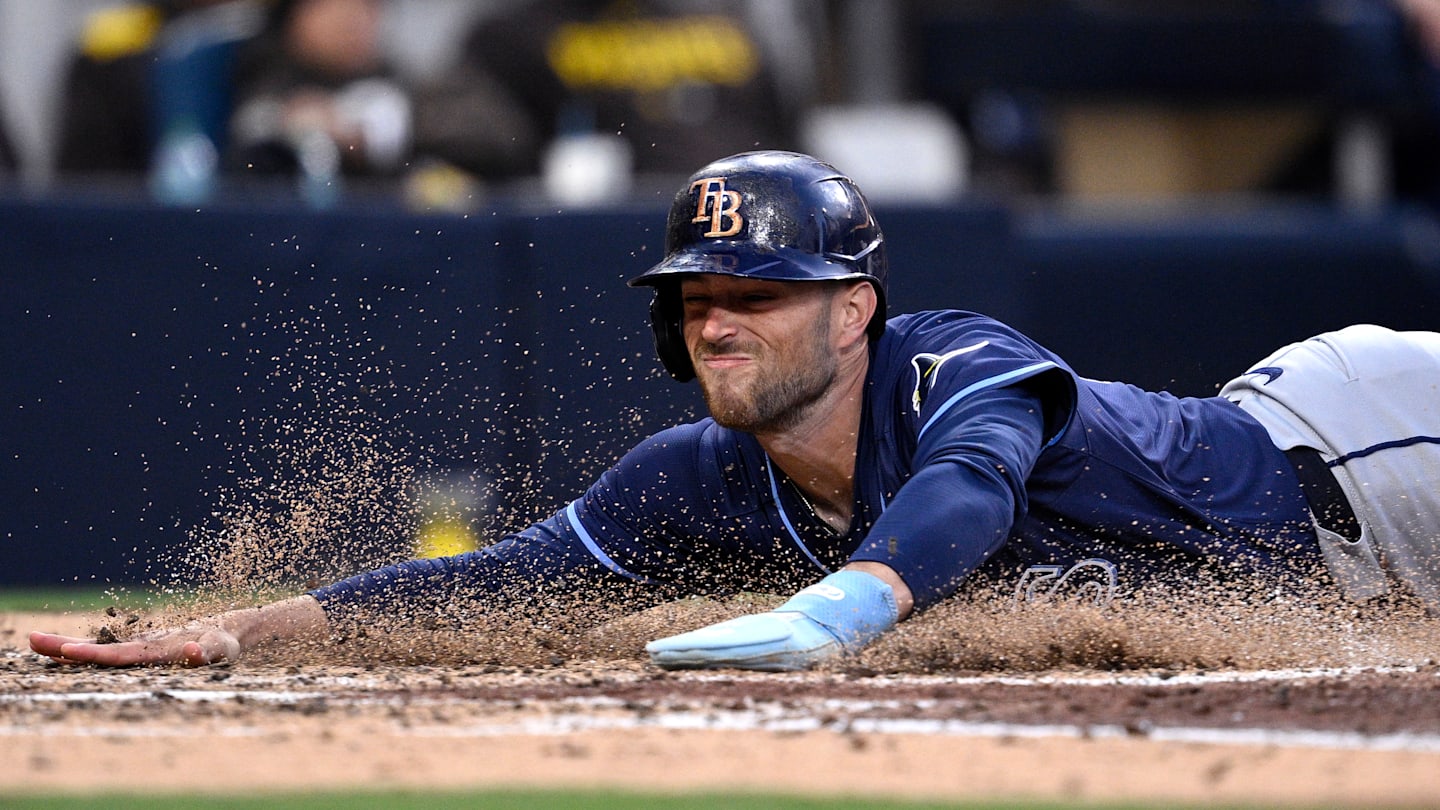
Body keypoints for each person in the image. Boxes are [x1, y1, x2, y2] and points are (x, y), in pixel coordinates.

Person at [31, 150, 1440, 672]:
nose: (719, 315)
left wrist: (844, 606)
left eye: (762, 292)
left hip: (1367, 450)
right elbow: (485, 580)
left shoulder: (952, 363)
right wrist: (224, 630)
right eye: (700, 291)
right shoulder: (699, 478)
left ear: (852, 309)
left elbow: (971, 493)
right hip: (1354, 582)